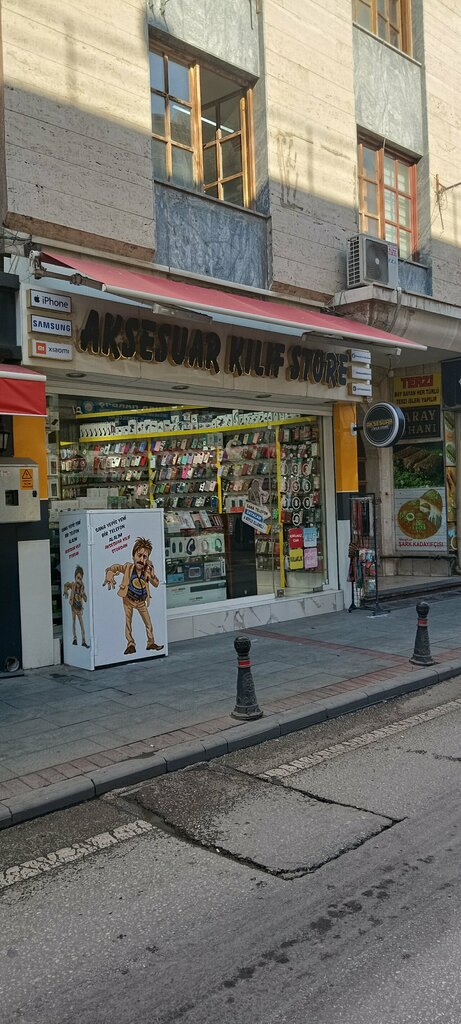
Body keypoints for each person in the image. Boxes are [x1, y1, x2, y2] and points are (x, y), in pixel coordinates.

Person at [103, 536, 164, 656]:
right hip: (128, 598)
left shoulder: (147, 571)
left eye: (144, 557)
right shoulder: (128, 567)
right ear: (133, 556)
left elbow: (156, 584)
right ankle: (130, 644)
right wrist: (109, 573)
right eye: (139, 555)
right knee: (128, 621)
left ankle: (150, 643)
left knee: (148, 622)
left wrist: (151, 575)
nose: (141, 559)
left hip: (141, 601)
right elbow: (114, 567)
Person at [63, 565, 90, 648]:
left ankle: (83, 641)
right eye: (78, 578)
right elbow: (66, 585)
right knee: (74, 622)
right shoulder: (73, 585)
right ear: (75, 578)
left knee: (82, 624)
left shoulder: (82, 587)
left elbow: (85, 599)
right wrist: (66, 591)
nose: (79, 580)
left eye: (80, 578)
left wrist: (82, 593)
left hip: (79, 608)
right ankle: (75, 638)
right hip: (73, 607)